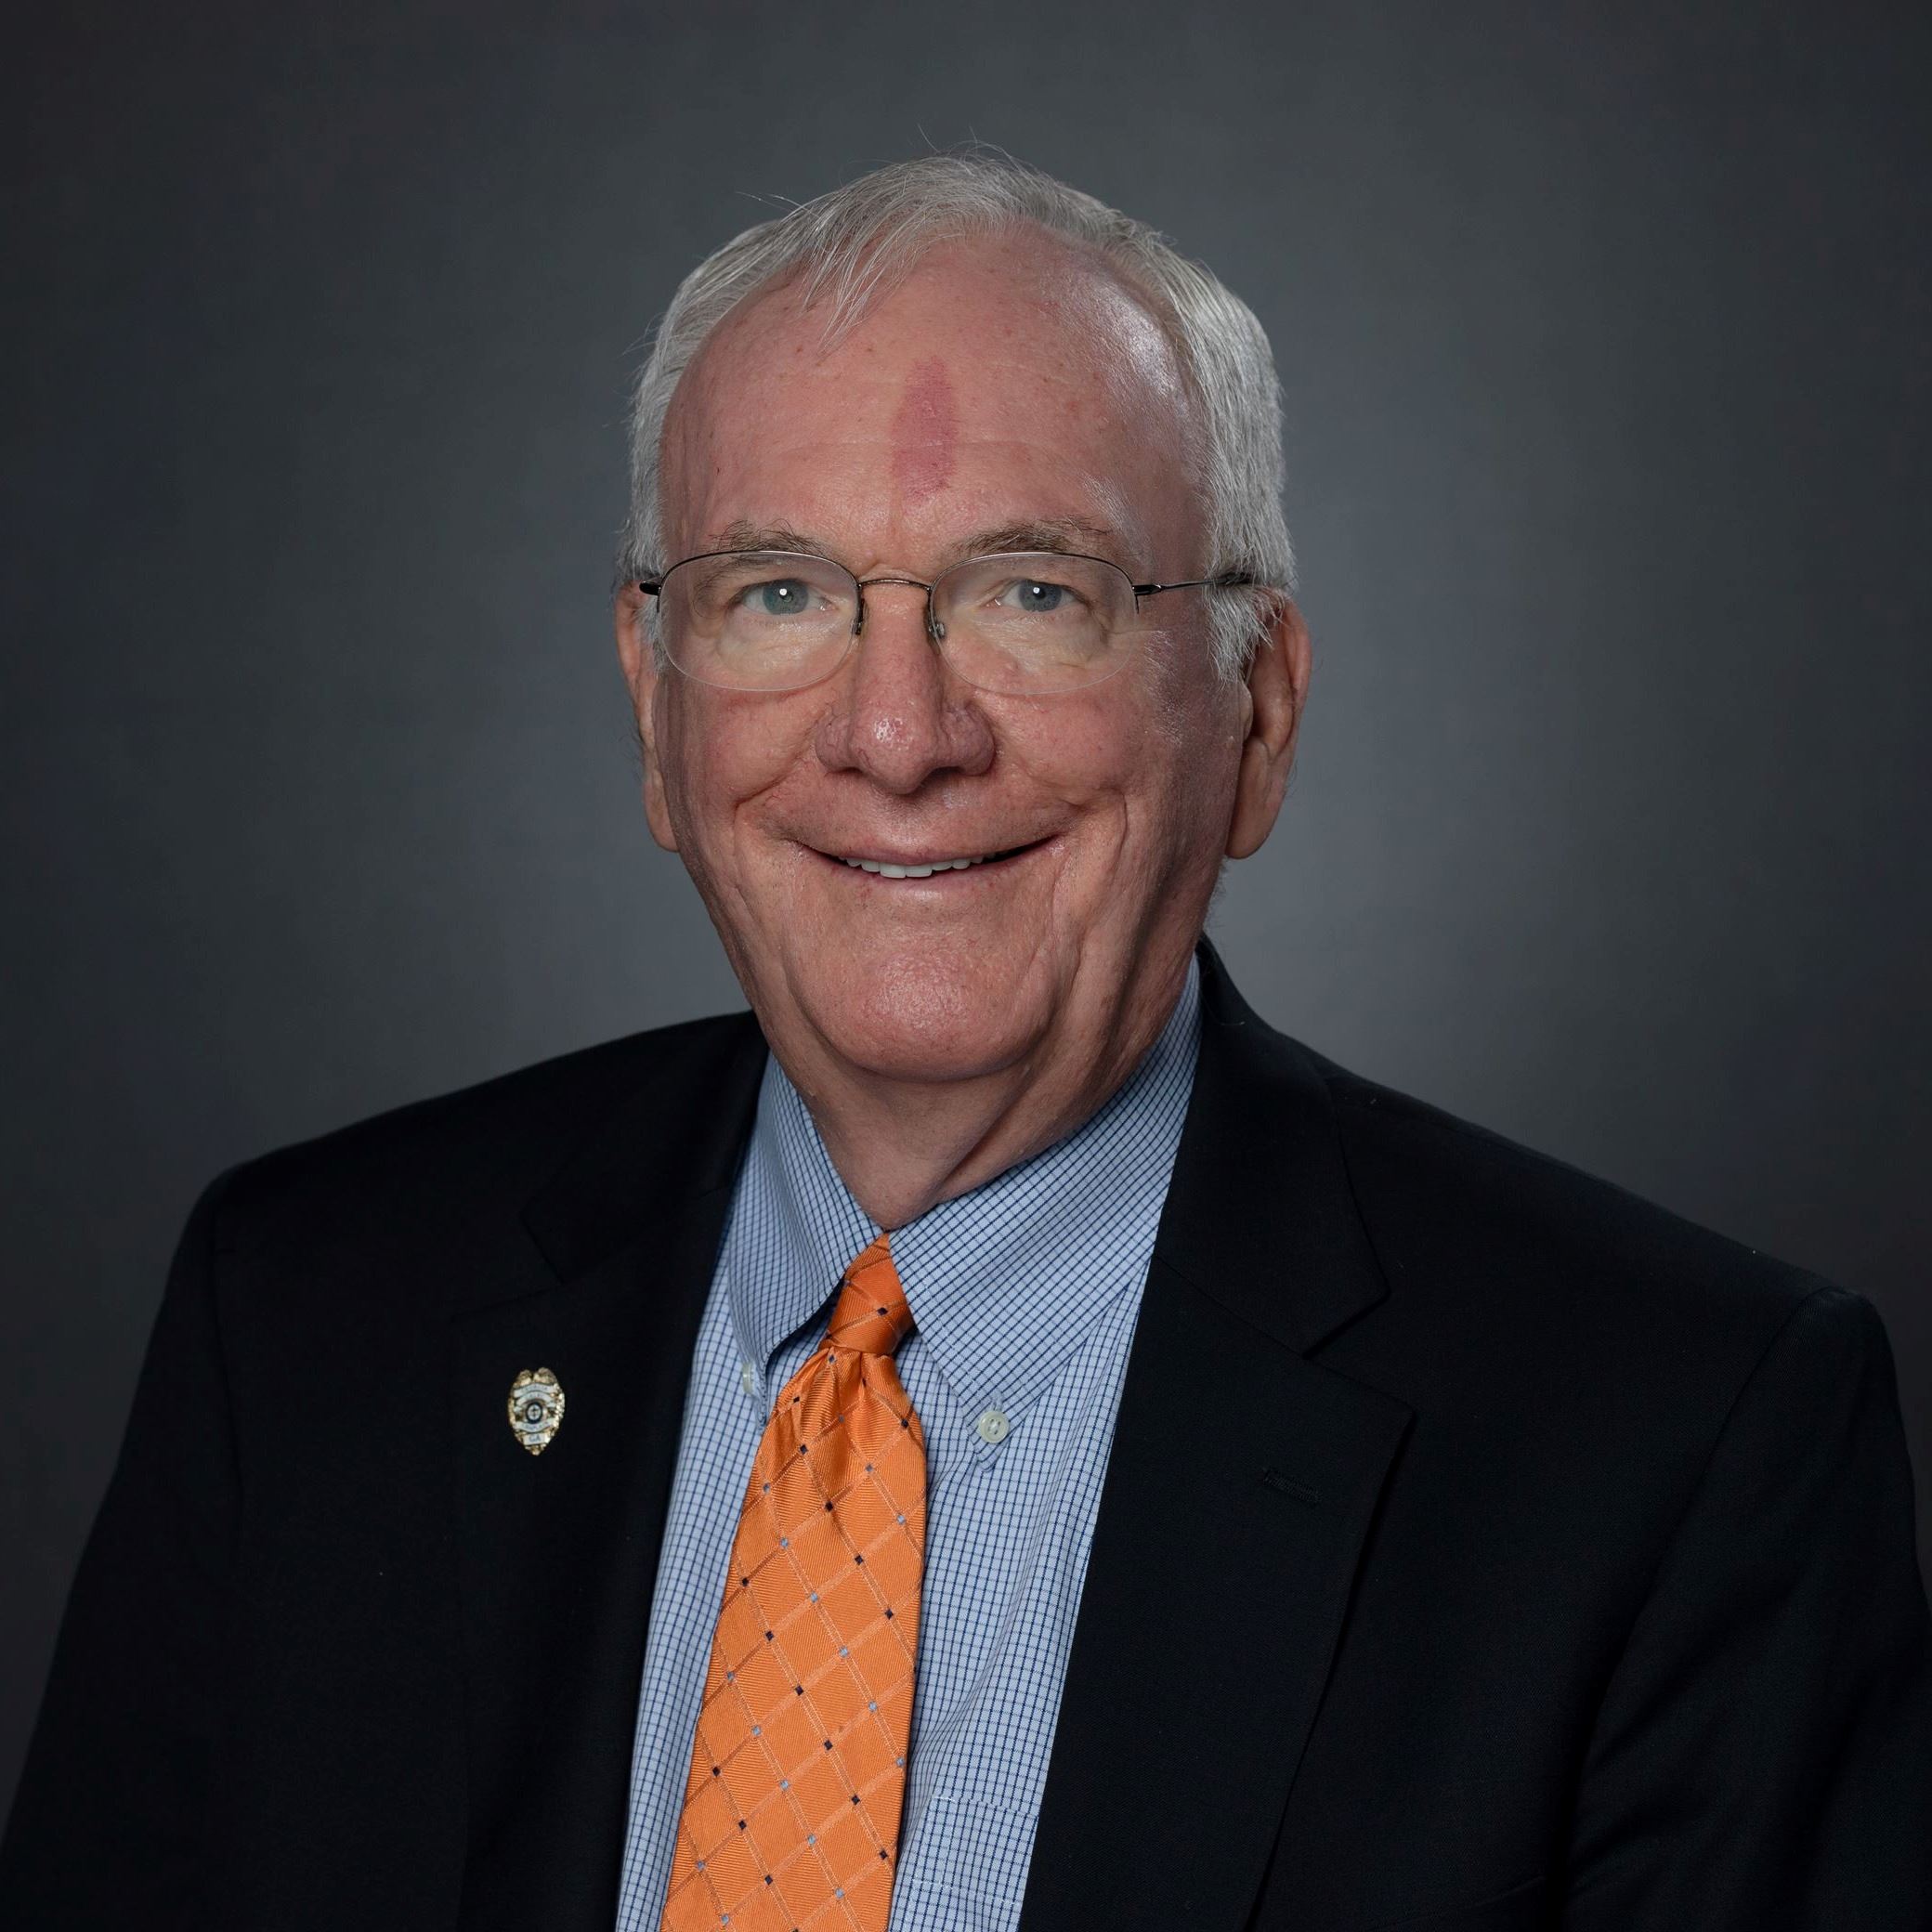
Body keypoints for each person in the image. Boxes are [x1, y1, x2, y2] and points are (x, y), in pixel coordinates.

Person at [4, 151, 1927, 1932]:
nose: (899, 733)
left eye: (1033, 591)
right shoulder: (307, 1315)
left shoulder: (1674, 1450)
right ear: (652, 710)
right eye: (777, 593)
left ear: (1252, 713)